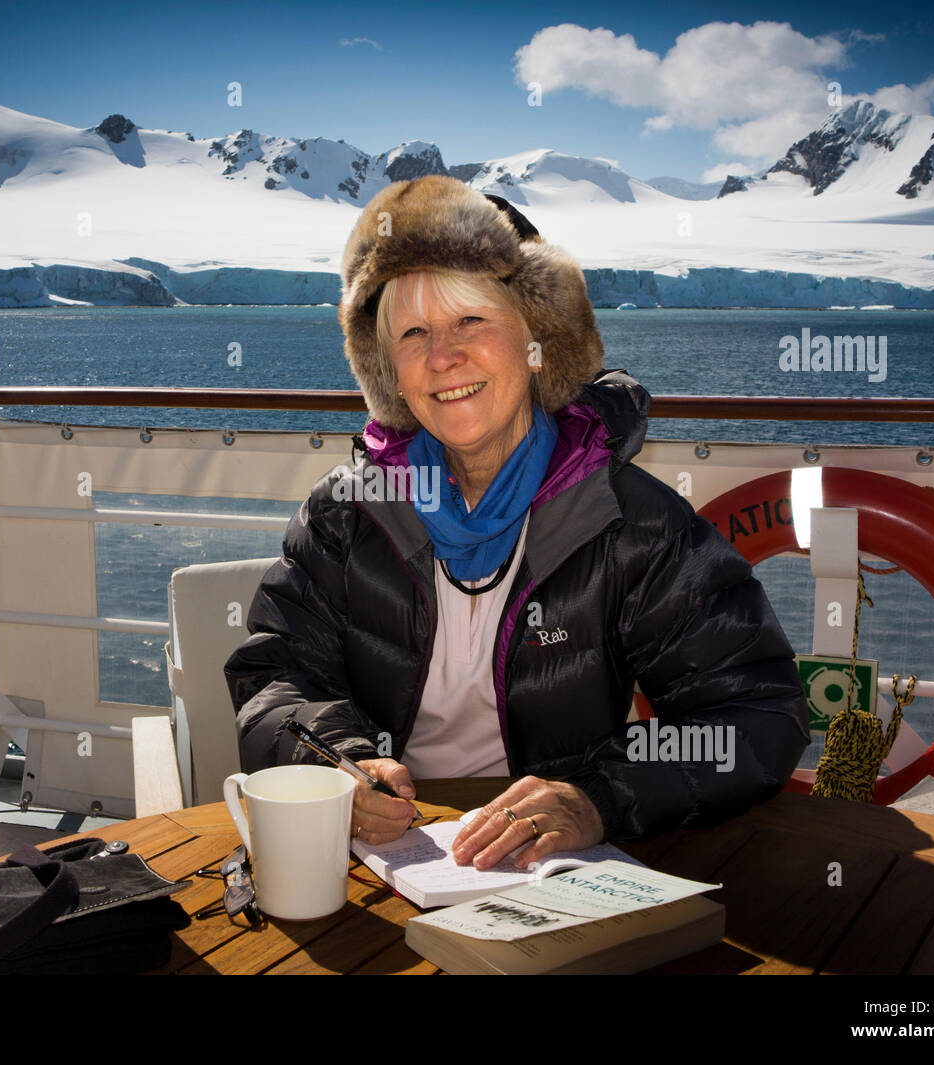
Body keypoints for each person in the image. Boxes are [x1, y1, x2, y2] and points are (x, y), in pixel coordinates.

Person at [225, 174, 808, 871]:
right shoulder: (345, 514)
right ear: (388, 371)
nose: (443, 357)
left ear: (540, 341)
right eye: (413, 333)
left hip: (554, 872)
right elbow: (274, 678)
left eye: (471, 320)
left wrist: (598, 796)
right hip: (386, 868)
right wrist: (338, 765)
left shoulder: (630, 523)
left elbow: (757, 713)